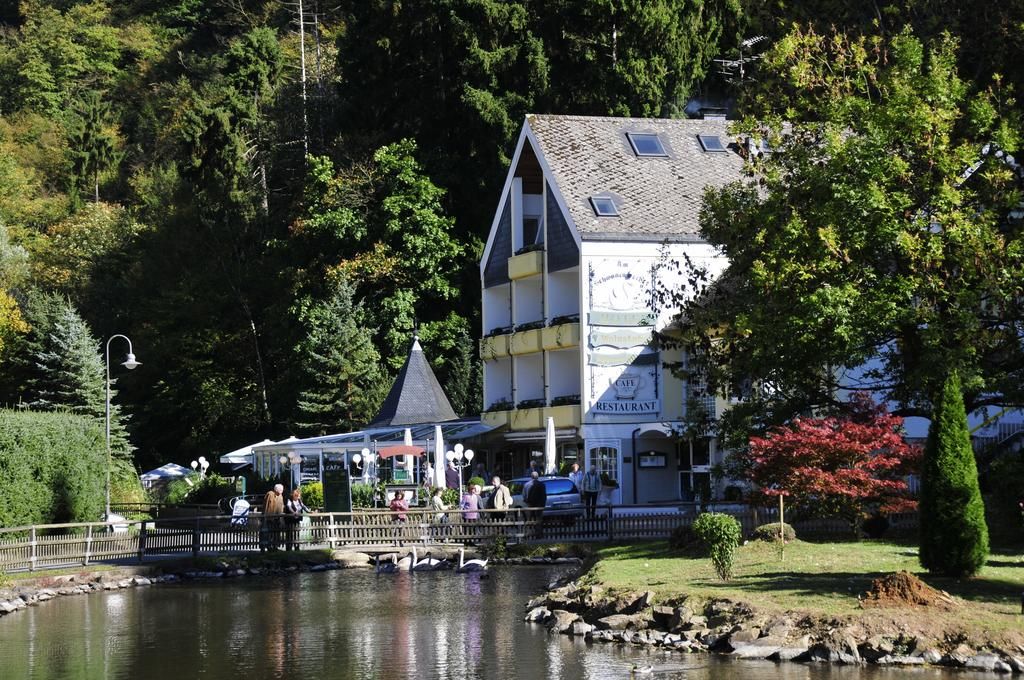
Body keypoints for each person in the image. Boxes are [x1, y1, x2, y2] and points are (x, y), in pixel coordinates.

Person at [523, 471, 547, 538]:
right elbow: (544, 496)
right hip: (539, 505)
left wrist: (527, 502)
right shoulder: (542, 484)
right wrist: (543, 504)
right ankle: (539, 534)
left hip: (530, 505)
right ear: (538, 477)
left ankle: (529, 534)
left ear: (531, 477)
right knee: (539, 520)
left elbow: (524, 496)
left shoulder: (526, 484)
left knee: (530, 520)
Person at [262, 483, 284, 551]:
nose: (282, 491)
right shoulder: (270, 494)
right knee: (268, 533)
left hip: (277, 518)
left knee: (276, 533)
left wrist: (281, 517)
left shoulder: (280, 496)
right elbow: (266, 506)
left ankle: (275, 546)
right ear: (276, 489)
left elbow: (281, 506)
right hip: (270, 517)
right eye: (281, 489)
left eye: (282, 489)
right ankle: (268, 546)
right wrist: (264, 516)